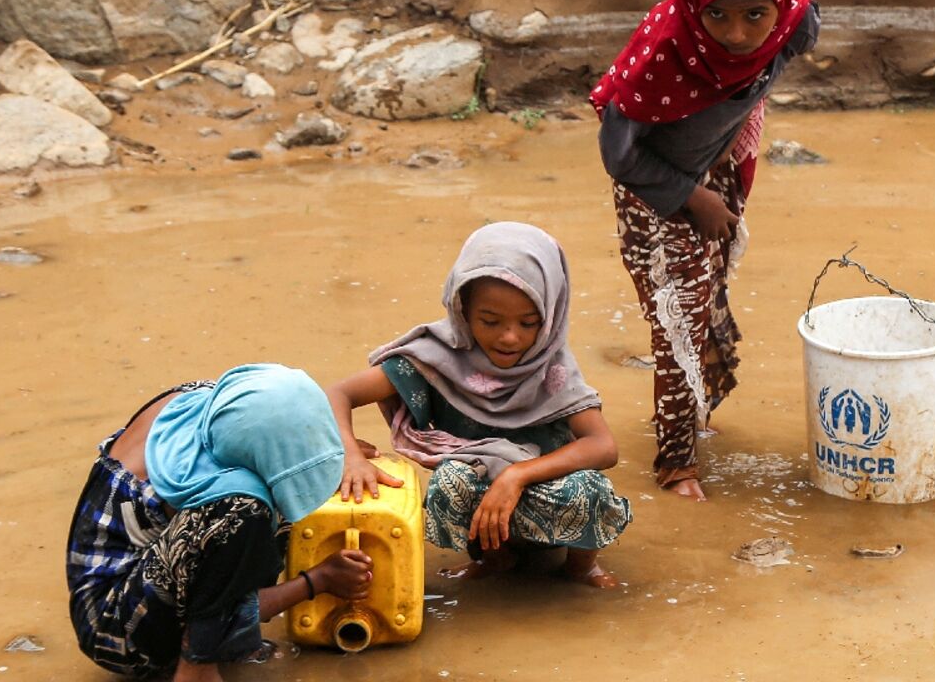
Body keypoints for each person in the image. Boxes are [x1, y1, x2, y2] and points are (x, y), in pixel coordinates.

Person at [590, 0, 820, 501]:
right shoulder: (663, 57)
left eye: (754, 16)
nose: (736, 35)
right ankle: (676, 465)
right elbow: (618, 154)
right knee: (679, 320)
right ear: (693, 3)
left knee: (710, 292)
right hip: (655, 187)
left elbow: (788, 38)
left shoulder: (796, 21)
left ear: (780, 7)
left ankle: (694, 414)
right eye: (716, 15)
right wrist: (694, 199)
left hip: (713, 168)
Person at [327, 222, 632, 588]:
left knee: (589, 489)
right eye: (490, 321)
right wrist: (350, 456)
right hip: (481, 503)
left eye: (528, 323)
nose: (509, 337)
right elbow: (337, 394)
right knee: (449, 481)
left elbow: (603, 446)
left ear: (550, 318)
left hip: (549, 495)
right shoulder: (437, 357)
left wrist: (517, 474)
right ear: (462, 310)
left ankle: (580, 567)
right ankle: (495, 559)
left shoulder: (553, 369)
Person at [66, 364, 373, 682]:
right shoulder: (222, 501)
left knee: (256, 506)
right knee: (248, 512)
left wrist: (322, 451)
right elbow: (222, 580)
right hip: (116, 631)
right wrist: (317, 581)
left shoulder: (210, 401)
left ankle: (220, 644)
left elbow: (279, 415)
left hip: (148, 574)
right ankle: (197, 667)